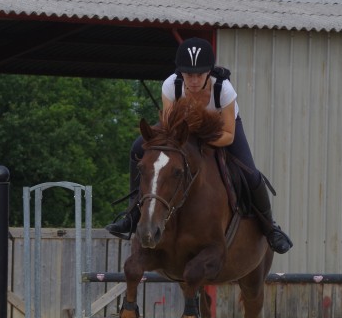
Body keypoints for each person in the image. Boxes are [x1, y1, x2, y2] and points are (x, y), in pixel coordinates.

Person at [106, 37, 293, 254]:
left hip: (220, 129)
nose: (194, 81)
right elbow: (169, 128)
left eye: (199, 75)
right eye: (188, 75)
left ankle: (271, 228)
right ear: (180, 73)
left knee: (251, 174)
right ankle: (132, 215)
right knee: (138, 148)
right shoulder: (171, 86)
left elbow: (228, 136)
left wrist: (199, 140)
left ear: (208, 73)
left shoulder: (224, 89)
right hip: (182, 128)